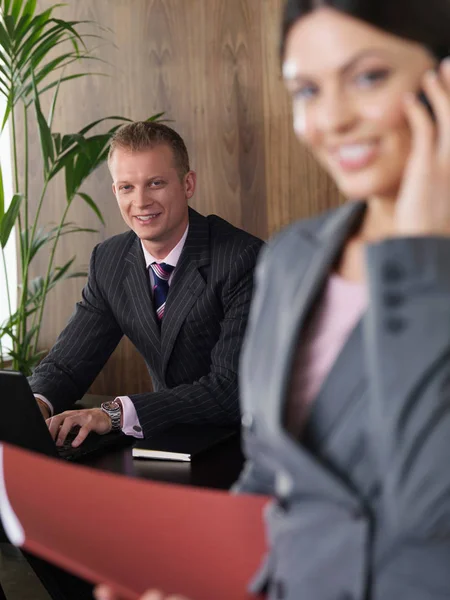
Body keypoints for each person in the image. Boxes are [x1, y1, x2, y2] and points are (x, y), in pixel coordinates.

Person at [96, 0, 450, 599]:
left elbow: (427, 505)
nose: (331, 118)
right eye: (307, 90)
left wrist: (418, 258)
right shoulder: (293, 257)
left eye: (367, 76)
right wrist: (210, 581)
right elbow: (270, 475)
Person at [29, 121, 263, 447]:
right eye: (127, 187)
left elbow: (230, 388)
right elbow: (67, 365)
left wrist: (114, 414)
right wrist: (32, 407)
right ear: (115, 192)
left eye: (155, 183)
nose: (140, 202)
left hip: (244, 446)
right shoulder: (109, 260)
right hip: (164, 443)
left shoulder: (243, 258)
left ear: (188, 183)